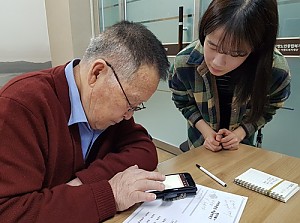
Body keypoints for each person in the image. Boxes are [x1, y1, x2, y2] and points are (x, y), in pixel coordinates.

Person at [0, 21, 170, 222]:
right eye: (130, 103)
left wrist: (84, 181)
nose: (129, 115)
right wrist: (111, 195)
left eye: (136, 106)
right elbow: (11, 212)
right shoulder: (21, 105)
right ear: (97, 73)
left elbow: (145, 150)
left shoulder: (108, 109)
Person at [169, 0, 291, 152]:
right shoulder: (185, 62)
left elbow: (269, 107)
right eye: (212, 45)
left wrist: (240, 134)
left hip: (241, 147)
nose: (218, 62)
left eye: (236, 53)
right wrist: (207, 133)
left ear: (256, 49)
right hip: (200, 143)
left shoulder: (274, 70)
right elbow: (183, 102)